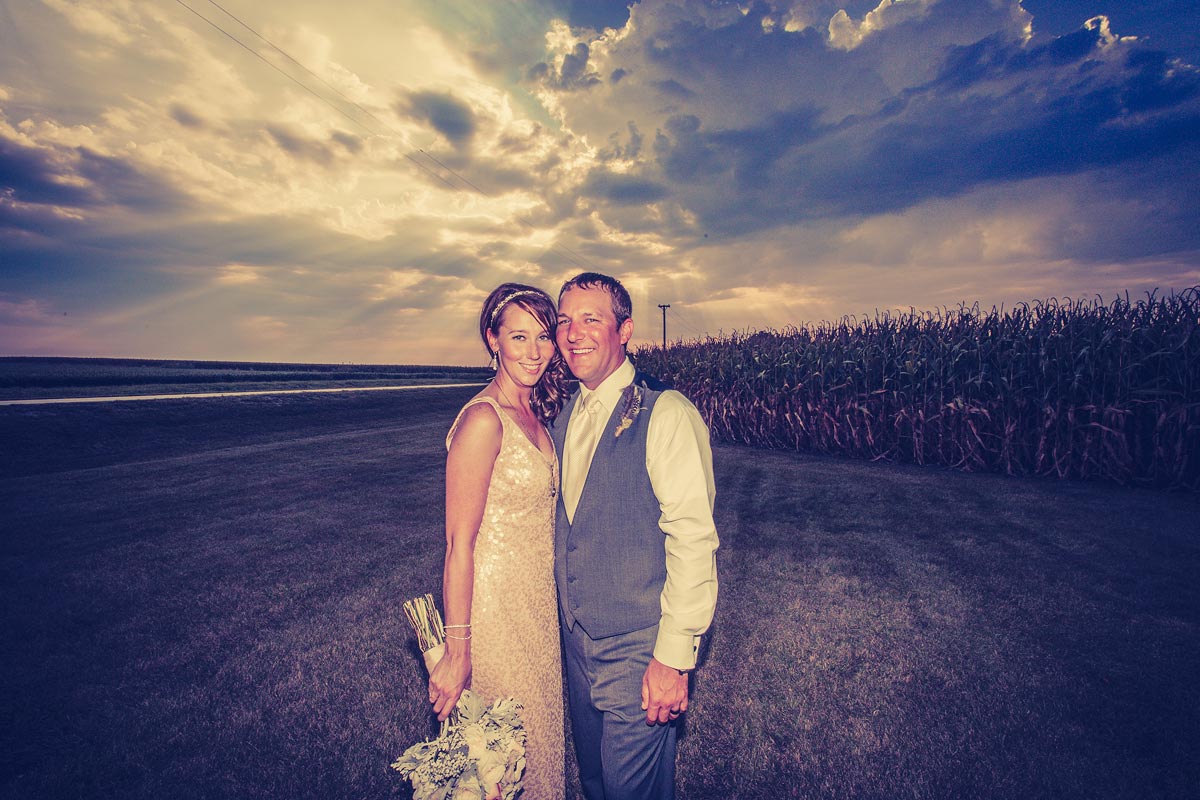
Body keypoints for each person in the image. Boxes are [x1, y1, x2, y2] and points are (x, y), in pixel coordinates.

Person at [551, 272, 719, 800]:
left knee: (632, 789)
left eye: (590, 320)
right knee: (595, 781)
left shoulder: (666, 413)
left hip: (638, 647)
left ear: (625, 331)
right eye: (564, 321)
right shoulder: (561, 415)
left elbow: (693, 538)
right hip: (576, 642)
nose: (573, 333)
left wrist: (671, 659)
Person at [428, 283, 569, 800]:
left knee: (539, 756)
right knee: (502, 769)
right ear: (493, 340)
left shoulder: (533, 414)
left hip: (535, 612)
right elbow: (457, 544)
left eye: (544, 337)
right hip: (493, 618)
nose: (534, 352)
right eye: (518, 337)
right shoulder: (483, 420)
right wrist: (459, 651)